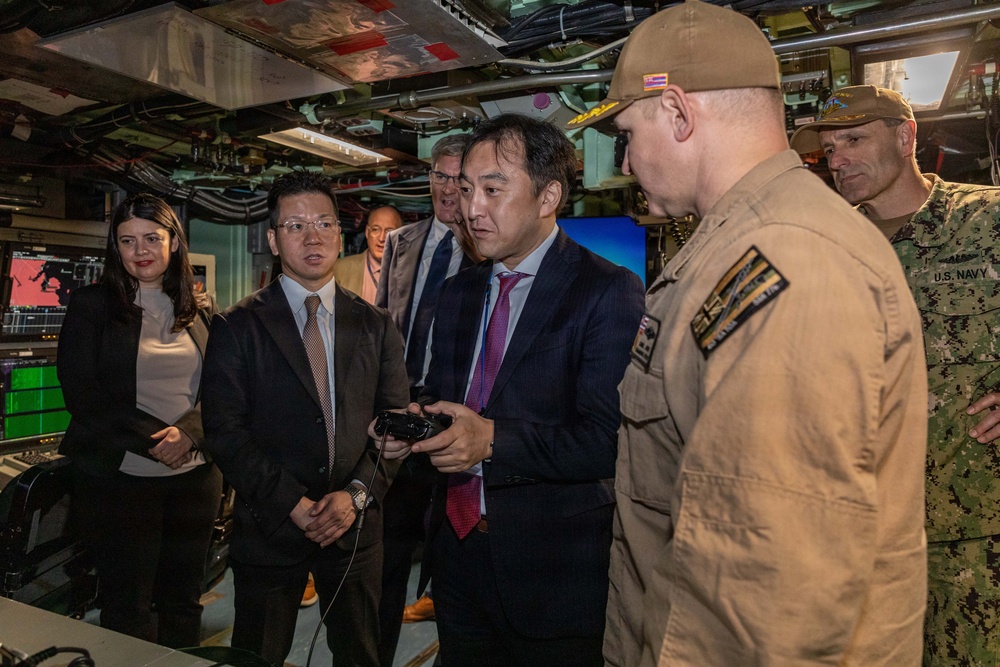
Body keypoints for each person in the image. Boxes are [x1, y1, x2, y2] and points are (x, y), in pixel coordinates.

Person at [566, 2, 929, 664]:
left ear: (678, 114)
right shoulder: (737, 249)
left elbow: (767, 585)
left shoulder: (785, 257)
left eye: (627, 135)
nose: (627, 161)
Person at [374, 113, 645, 666]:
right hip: (456, 557)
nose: (472, 208)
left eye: (493, 189)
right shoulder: (458, 292)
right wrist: (413, 428)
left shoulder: (606, 290)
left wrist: (493, 439)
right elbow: (445, 400)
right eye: (467, 189)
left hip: (552, 572)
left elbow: (606, 440)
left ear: (548, 195)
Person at [791, 84, 1000, 665]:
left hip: (975, 531)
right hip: (859, 536)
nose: (840, 159)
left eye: (854, 139)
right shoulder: (821, 243)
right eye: (829, 149)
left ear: (906, 137)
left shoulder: (987, 219)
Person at [201, 171, 409, 667]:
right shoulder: (238, 326)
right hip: (271, 527)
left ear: (341, 233)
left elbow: (394, 423)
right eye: (295, 226)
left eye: (323, 223)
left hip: (354, 526)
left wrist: (356, 496)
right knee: (260, 654)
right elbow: (225, 433)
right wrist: (292, 503)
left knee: (361, 653)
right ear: (273, 239)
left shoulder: (375, 324)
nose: (312, 237)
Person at [58, 192, 221, 648]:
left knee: (184, 601)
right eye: (127, 241)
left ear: (174, 242)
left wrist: (189, 435)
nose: (140, 251)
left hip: (195, 478)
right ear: (116, 248)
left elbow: (225, 389)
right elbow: (83, 394)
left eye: (152, 238)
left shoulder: (199, 308)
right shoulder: (93, 305)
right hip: (121, 481)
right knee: (126, 605)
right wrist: (157, 438)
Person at [373, 133, 479, 666]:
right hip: (398, 413)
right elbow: (381, 326)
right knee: (386, 557)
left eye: (458, 178)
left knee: (450, 554)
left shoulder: (485, 247)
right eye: (438, 174)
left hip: (452, 417)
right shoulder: (403, 241)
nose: (446, 188)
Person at [334, 205, 403, 303]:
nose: (382, 238)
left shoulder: (413, 273)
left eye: (389, 232)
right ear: (367, 232)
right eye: (375, 229)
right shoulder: (339, 269)